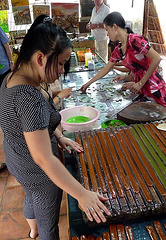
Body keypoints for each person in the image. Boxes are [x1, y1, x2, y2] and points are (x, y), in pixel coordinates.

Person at [0, 15, 110, 240]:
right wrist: (81, 194)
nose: (61, 70)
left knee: (30, 197)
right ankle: (41, 233)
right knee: (48, 220)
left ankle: (32, 232)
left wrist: (59, 136)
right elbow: (43, 159)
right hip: (37, 170)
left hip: (16, 158)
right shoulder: (27, 97)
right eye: (60, 63)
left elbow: (32, 124)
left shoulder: (13, 77)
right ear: (40, 58)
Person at [81, 11, 166, 119]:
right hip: (141, 89)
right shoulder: (119, 49)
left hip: (154, 88)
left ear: (115, 27)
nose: (107, 34)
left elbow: (156, 58)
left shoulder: (134, 40)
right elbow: (107, 68)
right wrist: (89, 83)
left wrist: (140, 83)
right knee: (149, 122)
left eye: (107, 30)